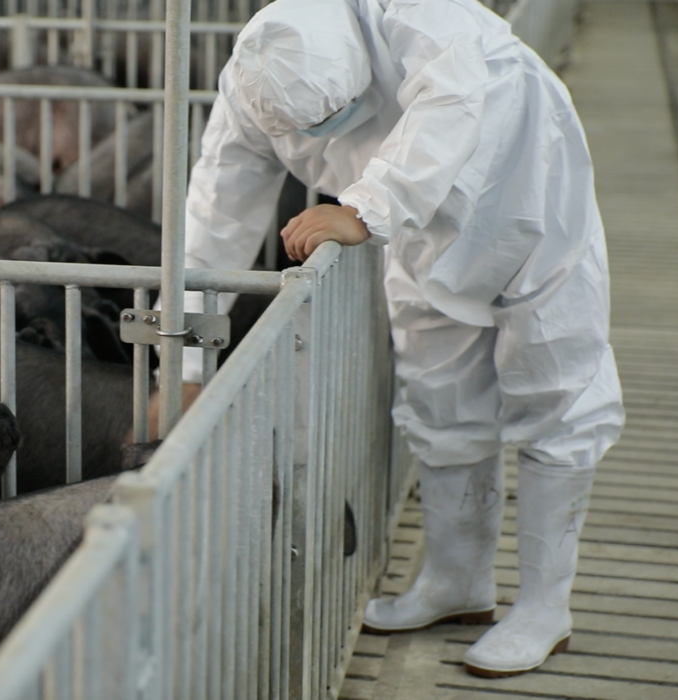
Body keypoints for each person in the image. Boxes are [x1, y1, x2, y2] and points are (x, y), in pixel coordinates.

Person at [179, 0, 625, 678]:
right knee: (436, 389)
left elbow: (451, 98)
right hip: (414, 226)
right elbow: (219, 203)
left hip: (524, 180)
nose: (334, 129)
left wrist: (362, 208)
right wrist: (184, 359)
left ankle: (543, 607)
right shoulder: (252, 82)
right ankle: (457, 581)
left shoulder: (410, 8)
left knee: (557, 383)